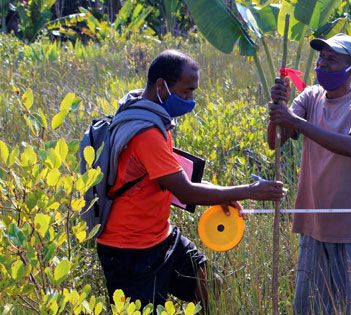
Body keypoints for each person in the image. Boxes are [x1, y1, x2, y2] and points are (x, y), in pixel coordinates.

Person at [95, 49, 285, 308]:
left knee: (212, 288)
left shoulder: (151, 116)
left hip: (162, 238)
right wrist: (250, 190)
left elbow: (169, 180)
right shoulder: (146, 133)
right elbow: (186, 192)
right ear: (161, 86)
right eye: (186, 91)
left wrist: (223, 193)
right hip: (130, 251)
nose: (190, 99)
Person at [268, 33, 351, 314]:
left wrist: (295, 120)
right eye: (322, 58)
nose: (322, 64)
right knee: (310, 308)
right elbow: (276, 140)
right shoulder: (310, 96)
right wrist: (278, 109)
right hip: (313, 226)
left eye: (332, 60)